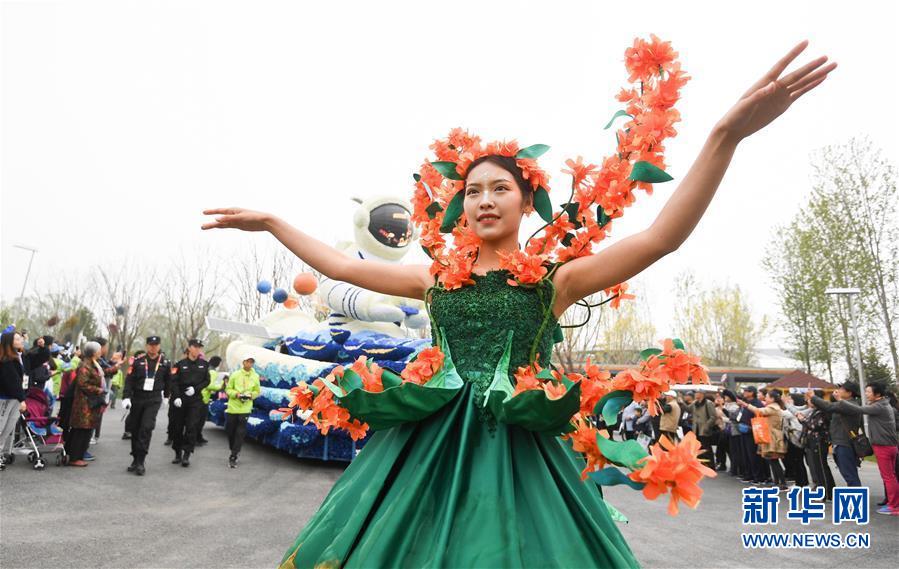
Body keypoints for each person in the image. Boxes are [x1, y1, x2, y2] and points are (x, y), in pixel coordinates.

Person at [203, 40, 834, 567]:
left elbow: (660, 237)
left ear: (524, 200)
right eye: (472, 189)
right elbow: (342, 265)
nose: (483, 200)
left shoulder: (552, 280)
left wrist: (725, 136)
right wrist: (274, 222)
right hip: (424, 443)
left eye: (499, 187)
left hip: (520, 448)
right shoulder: (437, 279)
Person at [827, 383, 899, 516]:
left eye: (868, 392)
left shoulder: (879, 406)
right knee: (891, 477)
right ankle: (893, 504)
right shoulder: (884, 404)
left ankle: (894, 506)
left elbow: (859, 410)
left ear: (877, 394)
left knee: (888, 477)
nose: (866, 394)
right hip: (889, 445)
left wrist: (840, 401)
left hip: (883, 446)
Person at [121, 336, 171, 475]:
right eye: (150, 345)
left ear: (159, 346)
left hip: (153, 399)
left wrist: (167, 396)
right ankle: (135, 458)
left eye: (156, 345)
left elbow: (168, 382)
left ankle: (141, 461)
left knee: (146, 428)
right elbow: (129, 380)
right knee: (135, 429)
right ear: (147, 346)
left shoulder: (165, 363)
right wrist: (126, 397)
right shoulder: (138, 362)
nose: (153, 347)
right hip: (138, 397)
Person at [806, 381, 863, 487]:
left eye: (842, 389)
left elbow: (827, 406)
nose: (838, 390)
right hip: (841, 442)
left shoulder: (848, 404)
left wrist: (813, 397)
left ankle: (857, 500)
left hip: (845, 443)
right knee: (848, 473)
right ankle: (855, 499)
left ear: (850, 393)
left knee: (849, 474)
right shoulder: (845, 404)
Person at [169, 339, 210, 467]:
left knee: (192, 426)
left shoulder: (204, 364)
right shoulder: (179, 364)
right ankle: (177, 453)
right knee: (178, 427)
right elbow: (173, 381)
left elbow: (207, 381)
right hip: (181, 399)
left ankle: (187, 454)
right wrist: (176, 396)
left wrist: (196, 389)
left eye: (199, 347)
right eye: (195, 347)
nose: (197, 349)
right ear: (189, 348)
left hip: (195, 399)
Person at [64, 341, 106, 467]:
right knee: (81, 430)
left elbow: (102, 374)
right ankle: (74, 457)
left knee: (85, 430)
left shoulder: (94, 364)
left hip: (90, 403)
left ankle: (75, 454)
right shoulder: (85, 365)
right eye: (99, 350)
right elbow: (82, 384)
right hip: (83, 404)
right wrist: (98, 390)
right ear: (93, 352)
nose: (101, 352)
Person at [740, 389, 789, 491]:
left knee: (774, 460)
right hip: (771, 435)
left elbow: (759, 411)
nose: (765, 398)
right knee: (772, 460)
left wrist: (746, 405)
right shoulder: (773, 406)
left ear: (772, 399)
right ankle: (777, 482)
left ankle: (782, 484)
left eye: (767, 397)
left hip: (773, 437)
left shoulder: (773, 407)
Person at [224, 356, 260, 467]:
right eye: (248, 361)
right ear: (243, 362)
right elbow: (228, 389)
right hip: (233, 407)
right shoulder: (235, 375)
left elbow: (257, 391)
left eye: (251, 362)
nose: (249, 364)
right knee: (230, 431)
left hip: (245, 408)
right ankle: (233, 448)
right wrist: (236, 394)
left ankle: (234, 455)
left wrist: (250, 395)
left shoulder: (255, 376)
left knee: (240, 432)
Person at [0, 331, 27, 471]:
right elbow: (12, 382)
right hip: (5, 398)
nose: (21, 340)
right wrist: (21, 399)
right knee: (1, 427)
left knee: (8, 428)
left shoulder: (17, 356)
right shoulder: (6, 360)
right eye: (17, 338)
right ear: (9, 341)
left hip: (15, 398)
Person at [196, 355, 223, 446]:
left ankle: (198, 437)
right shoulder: (213, 372)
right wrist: (221, 387)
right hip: (203, 398)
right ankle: (196, 438)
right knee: (200, 420)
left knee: (197, 419)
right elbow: (209, 385)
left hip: (198, 395)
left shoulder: (206, 368)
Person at [687, 390, 716, 466]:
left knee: (706, 448)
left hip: (704, 429)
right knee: (698, 448)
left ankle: (710, 465)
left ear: (702, 394)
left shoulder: (708, 403)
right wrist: (682, 403)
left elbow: (713, 417)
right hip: (696, 429)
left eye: (697, 393)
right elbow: (687, 409)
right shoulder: (695, 403)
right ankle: (701, 465)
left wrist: (706, 426)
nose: (695, 394)